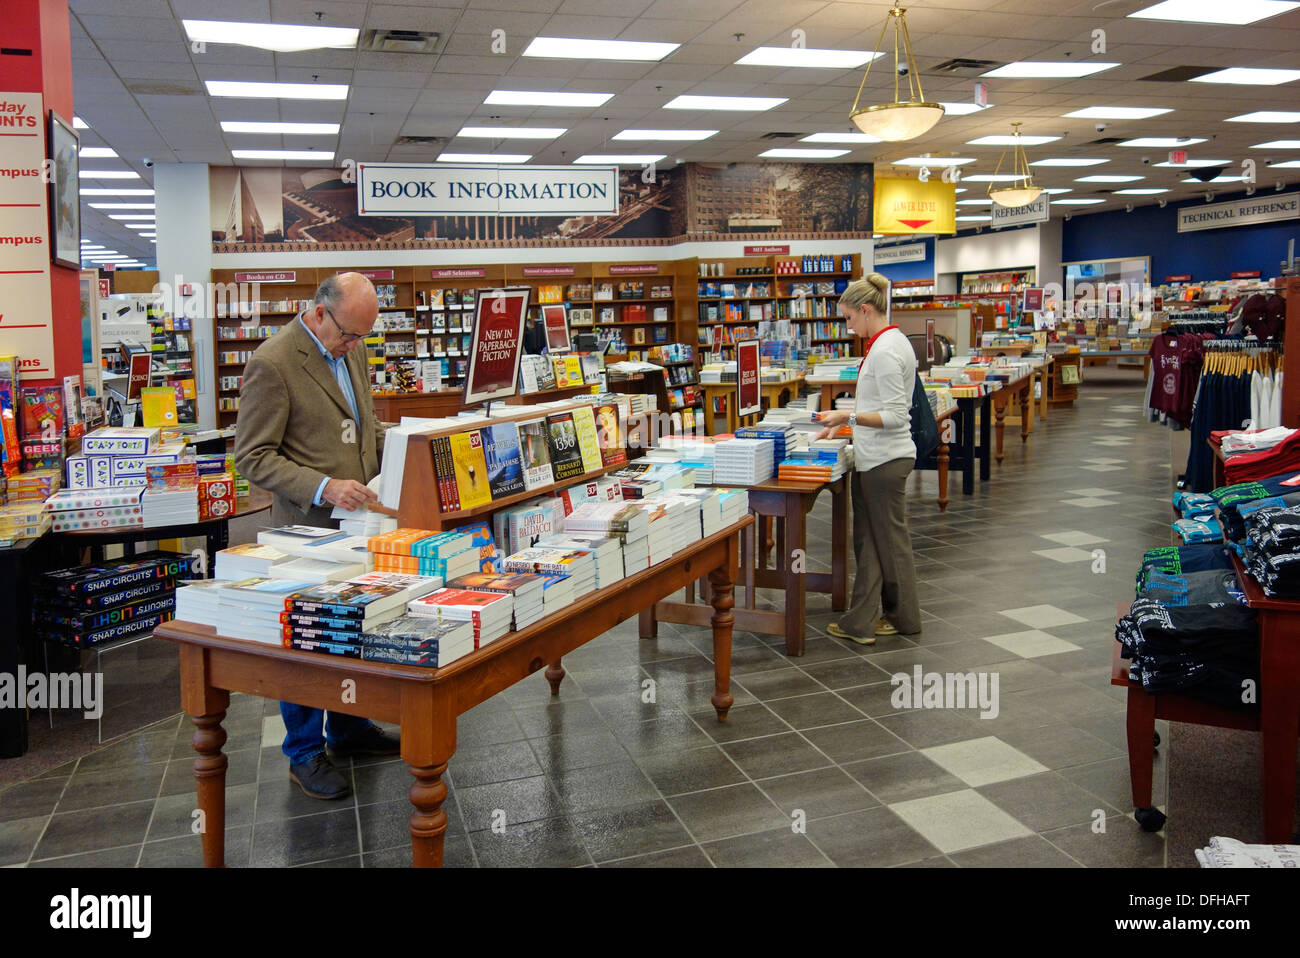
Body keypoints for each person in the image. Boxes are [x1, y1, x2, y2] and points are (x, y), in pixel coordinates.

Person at [234, 272, 399, 799]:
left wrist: (401, 452)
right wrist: (325, 487)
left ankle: (349, 728)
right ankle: (304, 752)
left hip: (361, 522)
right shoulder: (273, 363)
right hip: (306, 531)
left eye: (362, 337)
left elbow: (365, 424)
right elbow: (252, 457)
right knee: (306, 641)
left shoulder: (352, 348)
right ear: (320, 311)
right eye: (349, 334)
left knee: (352, 627)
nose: (354, 344)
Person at [815, 273, 922, 644]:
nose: (848, 326)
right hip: (876, 457)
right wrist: (846, 426)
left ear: (865, 310)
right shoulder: (890, 343)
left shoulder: (886, 352)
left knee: (890, 544)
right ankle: (861, 621)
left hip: (884, 461)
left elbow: (895, 415)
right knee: (874, 543)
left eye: (848, 318)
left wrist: (848, 417)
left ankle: (905, 618)